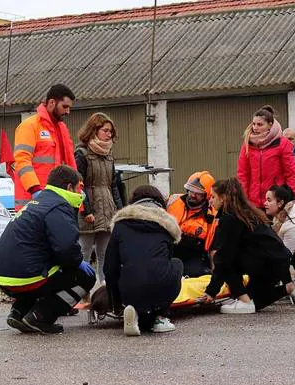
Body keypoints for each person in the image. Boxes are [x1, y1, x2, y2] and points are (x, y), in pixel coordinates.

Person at [0, 165, 95, 334]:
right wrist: (78, 263)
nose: (80, 194)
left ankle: (19, 313)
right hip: (27, 276)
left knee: (44, 267)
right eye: (79, 188)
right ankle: (41, 317)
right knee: (86, 276)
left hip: (2, 274)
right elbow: (67, 250)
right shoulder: (59, 206)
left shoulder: (38, 202)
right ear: (69, 187)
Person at [199, 178, 295, 314]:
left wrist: (211, 292)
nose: (210, 201)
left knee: (224, 261)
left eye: (213, 197)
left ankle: (244, 301)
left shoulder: (230, 218)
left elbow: (223, 257)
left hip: (267, 265)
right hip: (276, 264)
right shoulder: (246, 212)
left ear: (223, 198)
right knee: (257, 302)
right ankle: (291, 287)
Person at [104, 185, 183, 336]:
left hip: (129, 287)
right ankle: (161, 316)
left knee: (129, 270)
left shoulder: (120, 225)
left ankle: (134, 311)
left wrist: (116, 302)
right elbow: (166, 260)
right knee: (177, 263)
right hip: (160, 286)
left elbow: (109, 267)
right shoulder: (166, 227)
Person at [74, 112, 123, 287]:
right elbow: (79, 184)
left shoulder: (109, 155)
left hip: (107, 209)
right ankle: (82, 291)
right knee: (84, 254)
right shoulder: (81, 154)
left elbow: (114, 185)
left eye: (111, 131)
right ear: (94, 130)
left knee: (106, 254)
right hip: (89, 210)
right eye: (106, 130)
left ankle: (105, 290)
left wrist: (120, 210)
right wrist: (86, 210)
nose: (109, 134)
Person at [13, 84, 77, 210]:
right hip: (32, 201)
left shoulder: (62, 129)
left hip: (56, 200)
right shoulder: (29, 126)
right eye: (65, 106)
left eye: (69, 108)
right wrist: (35, 189)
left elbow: (70, 162)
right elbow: (22, 160)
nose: (68, 112)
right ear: (52, 103)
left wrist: (77, 187)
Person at [237, 105, 295, 208]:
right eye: (254, 124)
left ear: (270, 125)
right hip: (254, 204)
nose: (255, 128)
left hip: (277, 202)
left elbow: (291, 174)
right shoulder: (247, 144)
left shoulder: (283, 144)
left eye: (260, 124)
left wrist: (291, 199)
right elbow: (243, 174)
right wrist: (243, 199)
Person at [167, 171, 216, 277]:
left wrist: (215, 272)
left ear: (207, 195)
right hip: (169, 249)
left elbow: (213, 247)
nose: (193, 195)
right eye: (191, 191)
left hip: (194, 255)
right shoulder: (172, 201)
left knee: (196, 274)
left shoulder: (212, 215)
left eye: (198, 193)